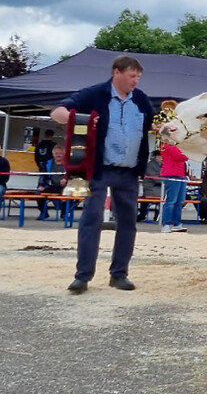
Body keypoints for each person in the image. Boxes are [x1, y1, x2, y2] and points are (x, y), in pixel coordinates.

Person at [50, 55, 155, 294]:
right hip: (98, 170)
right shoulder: (94, 94)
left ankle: (119, 274)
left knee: (128, 223)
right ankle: (82, 277)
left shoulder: (141, 100)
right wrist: (80, 121)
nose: (136, 81)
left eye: (138, 76)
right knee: (91, 220)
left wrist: (164, 127)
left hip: (129, 172)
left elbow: (153, 123)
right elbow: (57, 112)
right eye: (132, 75)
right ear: (116, 73)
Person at [159, 143, 188, 233]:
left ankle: (177, 223)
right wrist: (187, 154)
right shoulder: (168, 144)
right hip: (171, 173)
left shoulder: (176, 145)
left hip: (180, 174)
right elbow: (178, 157)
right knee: (171, 200)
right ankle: (166, 224)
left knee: (179, 201)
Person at [36, 146, 67, 220]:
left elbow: (74, 175)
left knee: (69, 194)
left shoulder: (69, 164)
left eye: (60, 153)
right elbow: (42, 176)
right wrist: (40, 185)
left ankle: (64, 214)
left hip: (65, 187)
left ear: (64, 154)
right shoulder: (46, 164)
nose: (58, 155)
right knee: (38, 193)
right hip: (50, 185)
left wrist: (66, 179)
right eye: (56, 153)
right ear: (53, 154)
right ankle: (44, 213)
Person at [137, 150, 162, 222]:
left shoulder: (158, 165)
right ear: (157, 157)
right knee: (169, 195)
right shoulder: (151, 165)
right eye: (161, 156)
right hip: (152, 189)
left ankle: (158, 215)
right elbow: (156, 179)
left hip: (157, 187)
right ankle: (160, 215)